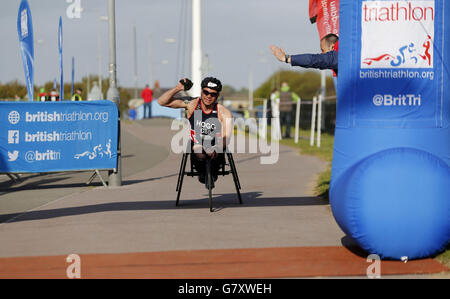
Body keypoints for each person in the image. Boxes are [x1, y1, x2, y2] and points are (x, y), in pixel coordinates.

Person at [158, 77, 233, 189]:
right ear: (201, 91)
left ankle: (211, 173)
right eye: (206, 92)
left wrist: (216, 148)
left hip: (216, 150)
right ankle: (204, 174)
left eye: (212, 94)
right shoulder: (191, 104)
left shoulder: (224, 112)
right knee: (198, 149)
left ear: (217, 96)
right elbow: (162, 102)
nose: (208, 96)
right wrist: (178, 88)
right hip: (196, 147)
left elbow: (226, 138)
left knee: (213, 150)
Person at [270, 33, 339, 75]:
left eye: (323, 50)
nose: (322, 53)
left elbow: (314, 60)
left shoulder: (337, 56)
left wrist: (286, 58)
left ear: (332, 47)